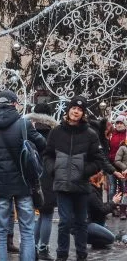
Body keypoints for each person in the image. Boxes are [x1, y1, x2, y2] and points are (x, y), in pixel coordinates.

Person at [43, 96, 112, 261]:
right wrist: (54, 169)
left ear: (83, 113)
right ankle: (62, 255)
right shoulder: (56, 132)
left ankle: (82, 255)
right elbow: (47, 155)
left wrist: (84, 171)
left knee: (81, 223)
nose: (76, 111)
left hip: (81, 186)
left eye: (80, 110)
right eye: (74, 108)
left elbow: (97, 159)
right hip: (62, 184)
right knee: (64, 222)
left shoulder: (90, 134)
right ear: (69, 110)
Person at [0, 89, 46, 261]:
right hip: (23, 183)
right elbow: (42, 144)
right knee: (27, 230)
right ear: (15, 103)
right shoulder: (23, 124)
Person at [28, 102, 59, 260]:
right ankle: (43, 249)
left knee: (37, 215)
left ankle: (32, 247)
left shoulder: (28, 132)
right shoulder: (55, 134)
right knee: (46, 215)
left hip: (31, 179)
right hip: (48, 179)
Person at [85, 171, 116, 251]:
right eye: (102, 180)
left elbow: (99, 209)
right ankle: (85, 239)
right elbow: (102, 210)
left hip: (92, 221)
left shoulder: (94, 189)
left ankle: (95, 239)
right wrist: (113, 202)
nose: (104, 182)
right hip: (87, 224)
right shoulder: (91, 191)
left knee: (106, 230)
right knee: (111, 238)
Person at [113, 131, 127, 219]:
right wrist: (125, 168)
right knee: (124, 192)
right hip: (125, 175)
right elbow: (117, 160)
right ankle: (122, 212)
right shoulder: (122, 148)